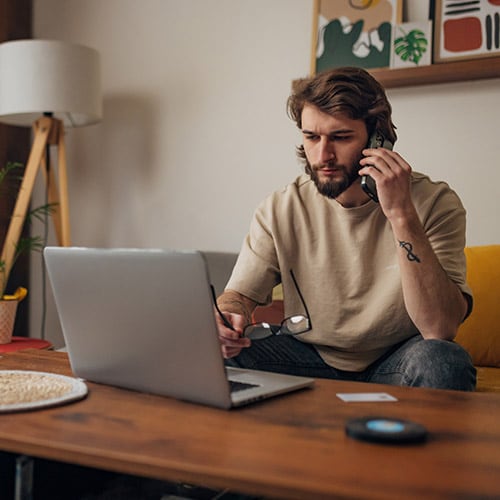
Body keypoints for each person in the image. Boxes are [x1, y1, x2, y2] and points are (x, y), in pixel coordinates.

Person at [215, 66, 476, 391]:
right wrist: (226, 319)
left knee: (444, 361)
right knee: (214, 354)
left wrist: (401, 214)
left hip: (396, 359)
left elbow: (439, 327)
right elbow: (237, 297)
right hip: (307, 354)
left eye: (340, 137)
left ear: (378, 139)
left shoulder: (435, 202)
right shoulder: (280, 207)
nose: (323, 155)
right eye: (312, 137)